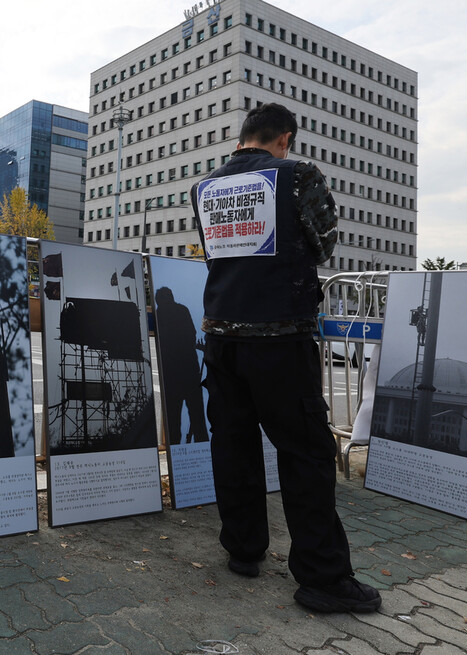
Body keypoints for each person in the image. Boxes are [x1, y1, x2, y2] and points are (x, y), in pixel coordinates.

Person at [190, 103, 381, 613]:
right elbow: (322, 247)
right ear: (285, 138)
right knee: (306, 453)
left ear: (242, 138)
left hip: (221, 336)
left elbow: (217, 253)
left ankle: (243, 549)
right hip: (279, 337)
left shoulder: (205, 187)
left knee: (234, 444)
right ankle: (322, 577)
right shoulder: (298, 175)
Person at [154, 286, 209, 444]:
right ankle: (203, 451)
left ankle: (175, 450)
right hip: (189, 370)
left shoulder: (159, 315)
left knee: (173, 421)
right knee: (198, 418)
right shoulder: (182, 310)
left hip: (170, 373)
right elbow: (191, 335)